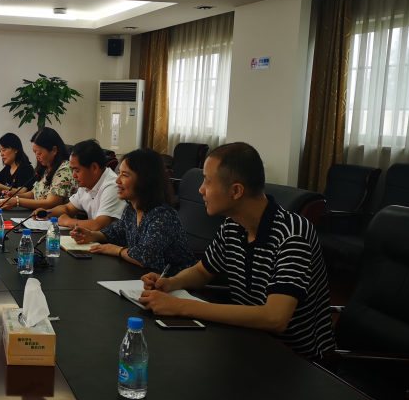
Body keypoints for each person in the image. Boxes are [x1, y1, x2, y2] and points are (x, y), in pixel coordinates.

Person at [139, 142, 336, 360]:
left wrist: (181, 306)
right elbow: (203, 271)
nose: (201, 190)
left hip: (295, 359)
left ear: (236, 191)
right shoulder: (232, 225)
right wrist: (170, 283)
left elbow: (275, 318)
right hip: (248, 342)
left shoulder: (293, 234)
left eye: (207, 182)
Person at [70, 148, 195, 274]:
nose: (117, 180)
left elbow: (146, 257)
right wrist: (92, 235)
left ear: (145, 179)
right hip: (144, 277)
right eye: (118, 173)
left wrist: (115, 250)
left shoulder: (163, 215)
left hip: (172, 282)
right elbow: (117, 233)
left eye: (124, 175)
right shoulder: (132, 210)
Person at [34, 139, 124, 231]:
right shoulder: (86, 183)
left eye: (77, 171)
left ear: (94, 167)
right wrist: (47, 213)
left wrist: (68, 221)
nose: (74, 175)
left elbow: (98, 225)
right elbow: (68, 209)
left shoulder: (112, 186)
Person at [2, 127, 74, 212]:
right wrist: (15, 196)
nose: (36, 157)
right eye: (34, 152)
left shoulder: (65, 170)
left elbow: (50, 203)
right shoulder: (47, 168)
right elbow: (33, 194)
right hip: (40, 216)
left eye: (39, 153)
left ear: (54, 150)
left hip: (56, 218)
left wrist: (17, 201)